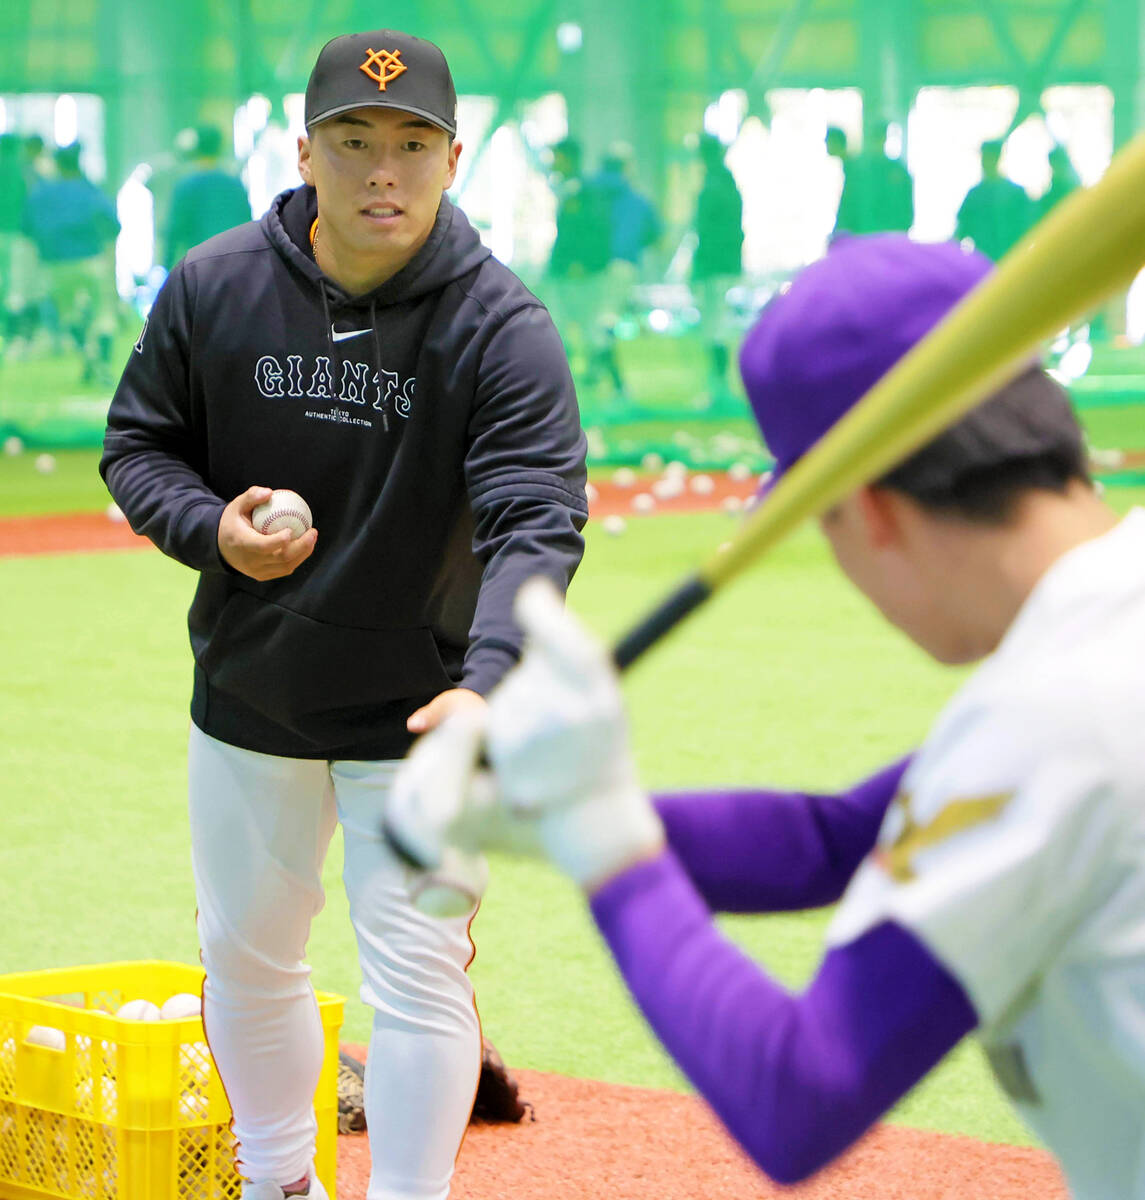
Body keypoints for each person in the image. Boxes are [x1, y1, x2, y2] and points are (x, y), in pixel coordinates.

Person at [386, 233, 1145, 1198]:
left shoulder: (1055, 717)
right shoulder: (1101, 633)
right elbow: (835, 839)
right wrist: (536, 815)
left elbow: (798, 1094)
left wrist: (603, 837)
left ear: (868, 511)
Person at [100, 27, 588, 1200]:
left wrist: (488, 682)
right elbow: (140, 445)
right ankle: (277, 1181)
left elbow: (533, 522)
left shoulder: (502, 329)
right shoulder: (215, 285)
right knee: (246, 960)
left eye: (412, 145)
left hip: (423, 710)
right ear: (303, 152)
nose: (382, 171)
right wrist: (212, 529)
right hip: (252, 690)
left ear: (453, 159)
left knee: (416, 975)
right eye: (353, 140)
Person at [22, 141, 120, 382]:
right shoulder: (90, 190)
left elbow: (26, 226)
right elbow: (113, 223)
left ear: (57, 164)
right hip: (91, 258)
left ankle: (88, 355)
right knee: (103, 312)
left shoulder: (42, 193)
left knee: (69, 315)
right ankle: (102, 361)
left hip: (55, 263)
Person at [691, 133, 744, 408]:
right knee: (717, 324)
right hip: (725, 263)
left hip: (714, 265)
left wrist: (699, 265)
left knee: (714, 326)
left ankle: (719, 388)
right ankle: (720, 387)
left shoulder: (713, 186)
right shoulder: (727, 184)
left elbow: (706, 231)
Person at [163, 124, 253, 268]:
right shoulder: (235, 185)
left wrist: (167, 265)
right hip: (233, 264)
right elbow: (248, 225)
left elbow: (174, 231)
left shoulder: (186, 186)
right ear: (220, 148)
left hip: (199, 265)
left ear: (196, 148)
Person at [955, 138, 1037, 261]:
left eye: (990, 157)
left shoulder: (1016, 194)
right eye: (985, 158)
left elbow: (1030, 228)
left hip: (1014, 259)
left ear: (998, 158)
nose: (986, 162)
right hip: (985, 261)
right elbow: (962, 230)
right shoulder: (975, 195)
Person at [828, 120, 914, 237]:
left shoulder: (893, 171)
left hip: (874, 236)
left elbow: (848, 206)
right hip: (881, 237)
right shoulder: (896, 170)